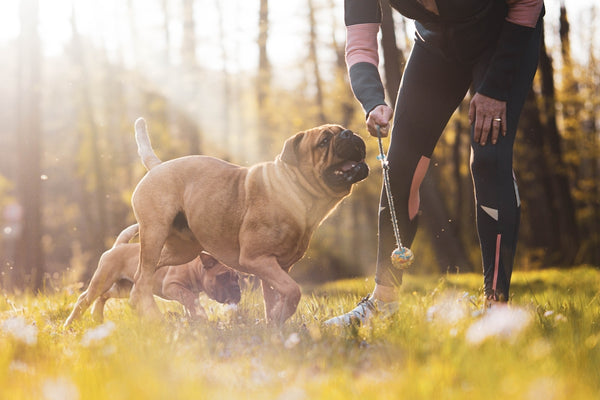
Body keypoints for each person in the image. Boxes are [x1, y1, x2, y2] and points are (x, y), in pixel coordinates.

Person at [325, 0, 544, 326]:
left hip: (505, 39)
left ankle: (496, 308)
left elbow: (528, 3)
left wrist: (496, 88)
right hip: (437, 47)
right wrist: (373, 101)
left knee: (488, 158)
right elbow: (359, 46)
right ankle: (383, 304)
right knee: (399, 166)